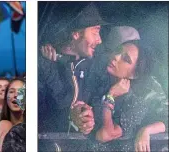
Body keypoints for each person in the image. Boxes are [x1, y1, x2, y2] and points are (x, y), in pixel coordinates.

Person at [89, 26, 168, 151]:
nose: (115, 57)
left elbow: (105, 135)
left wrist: (146, 130)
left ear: (134, 74)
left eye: (125, 59)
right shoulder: (100, 78)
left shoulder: (139, 96)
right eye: (118, 50)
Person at [38, 2, 106, 133]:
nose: (100, 40)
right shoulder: (44, 64)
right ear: (76, 34)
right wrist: (71, 115)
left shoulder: (94, 67)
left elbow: (97, 104)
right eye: (95, 32)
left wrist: (88, 119)